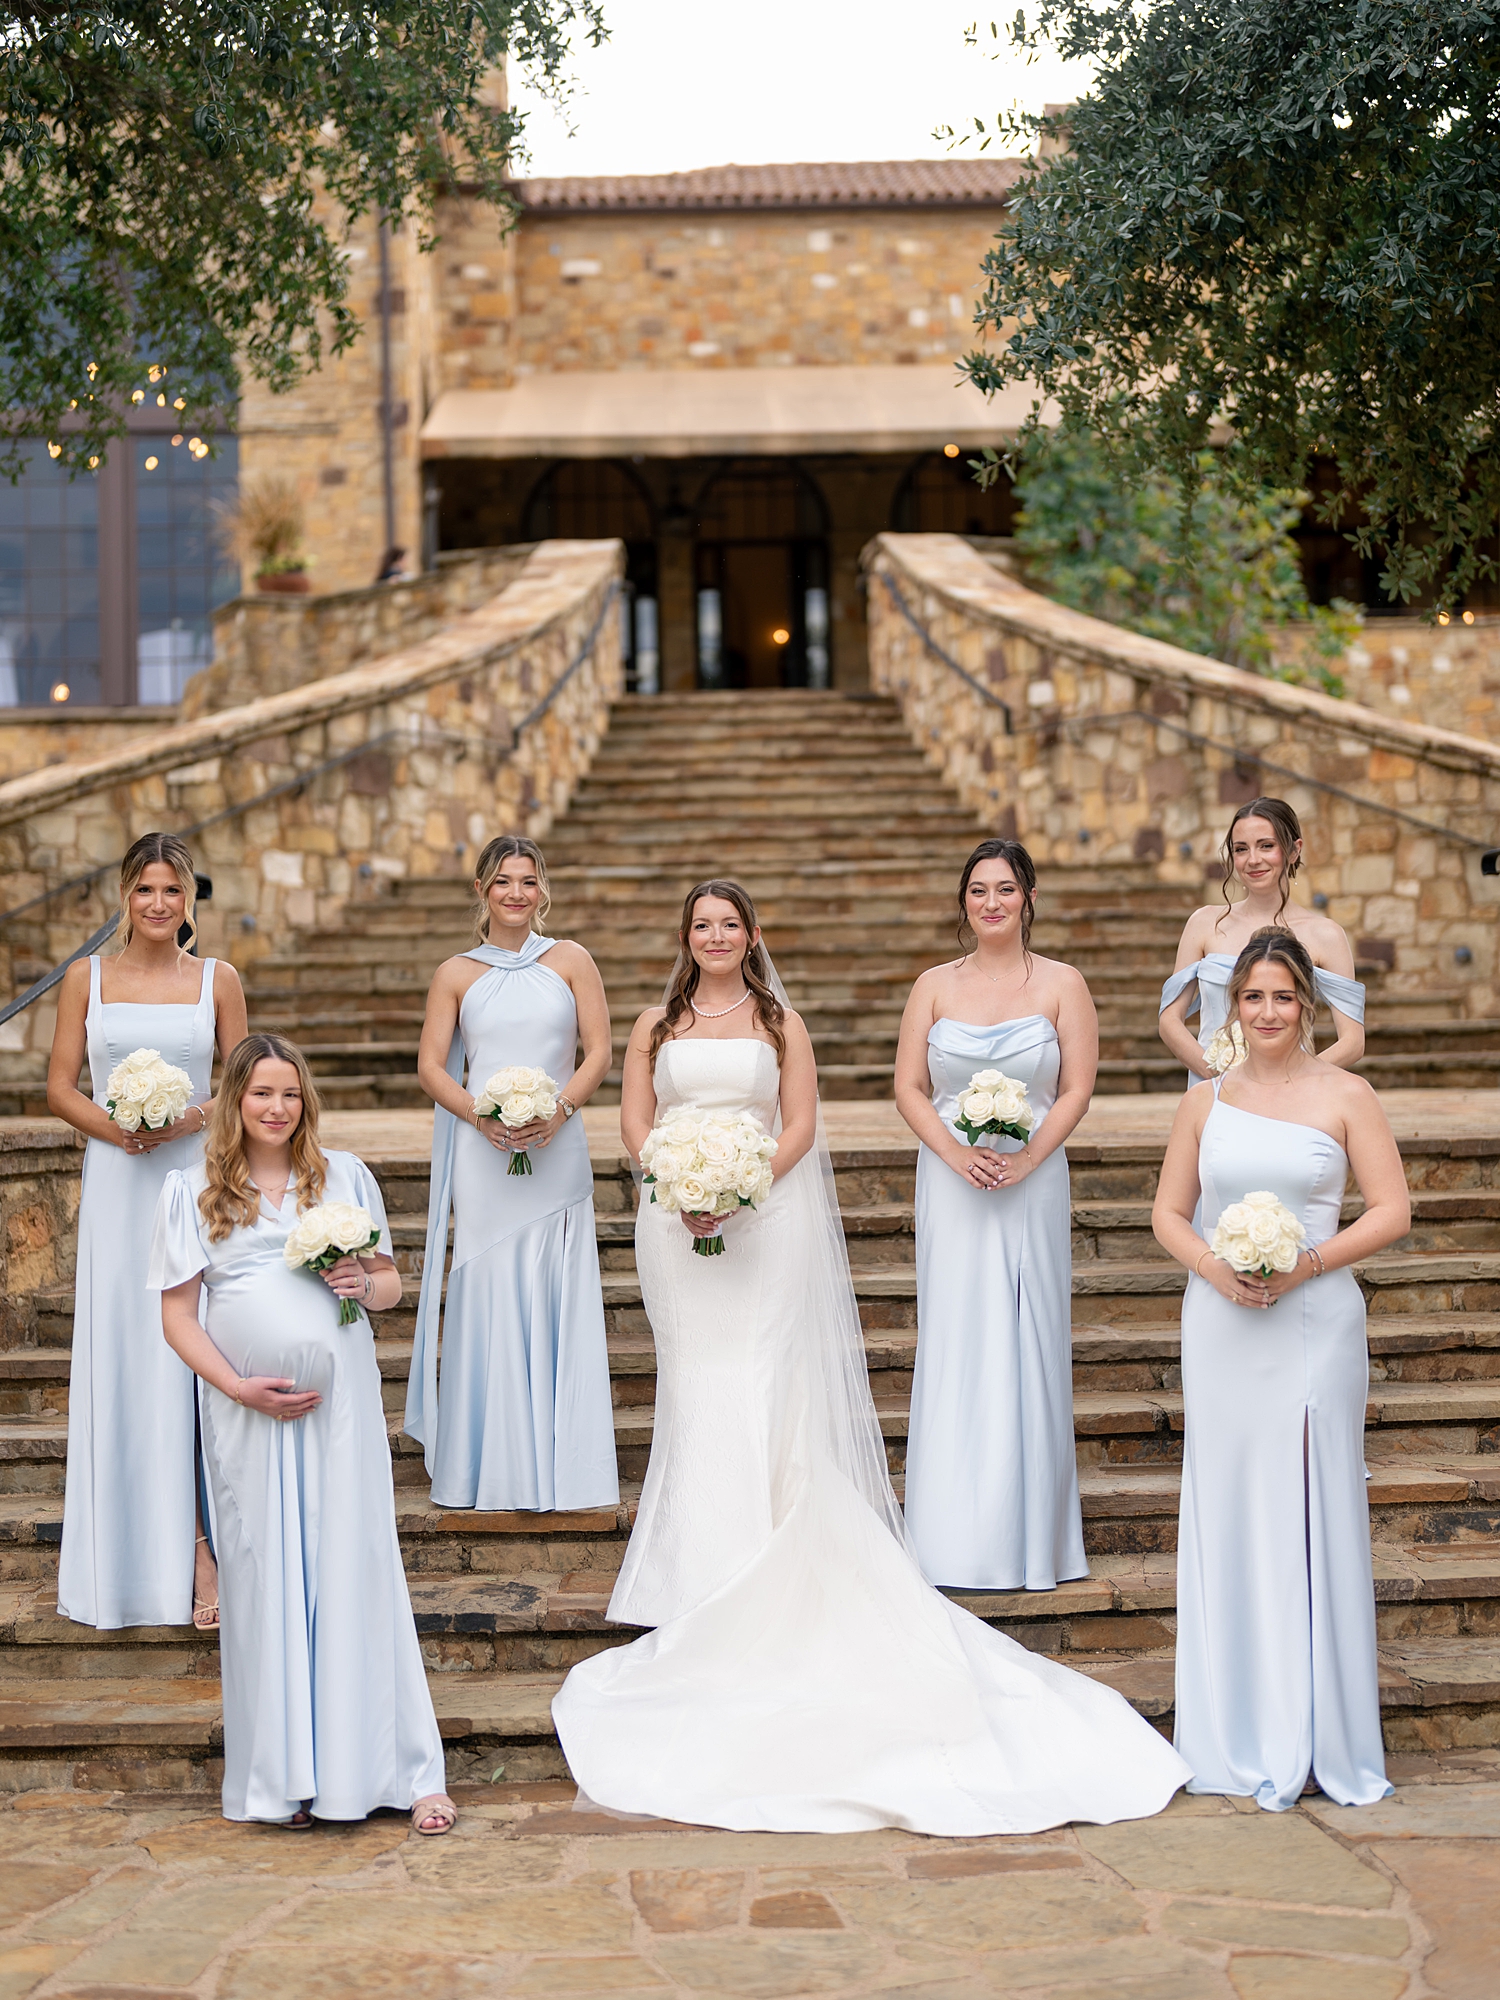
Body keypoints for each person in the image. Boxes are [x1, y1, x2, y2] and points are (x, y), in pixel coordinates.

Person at [552, 879, 1190, 1836]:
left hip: (761, 1217)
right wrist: (677, 1183)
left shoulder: (783, 1023)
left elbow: (801, 1127)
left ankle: (769, 1563)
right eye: (702, 925)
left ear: (751, 935)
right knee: (694, 1389)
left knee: (762, 1383)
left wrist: (738, 1187)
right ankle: (697, 1570)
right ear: (686, 936)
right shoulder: (653, 1023)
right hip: (672, 1224)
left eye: (730, 924)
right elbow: (635, 1123)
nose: (716, 936)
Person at [152, 1033, 454, 1833]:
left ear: (305, 1101)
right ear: (234, 1101)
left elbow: (389, 1285)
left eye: (290, 1093)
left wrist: (363, 1281)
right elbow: (178, 1317)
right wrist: (236, 1387)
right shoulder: (190, 1191)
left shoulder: (344, 1176)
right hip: (246, 1415)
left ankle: (402, 1770)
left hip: (341, 1408)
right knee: (267, 1579)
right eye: (261, 1093)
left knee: (356, 1566)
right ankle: (287, 1778)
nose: (277, 1107)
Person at [1152, 930, 1409, 1810]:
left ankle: (1319, 1729)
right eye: (1253, 997)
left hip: (1314, 1321)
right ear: (1234, 1007)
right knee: (1230, 1508)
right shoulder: (1205, 1102)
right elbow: (1169, 1212)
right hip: (1220, 1323)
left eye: (1284, 997)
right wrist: (1213, 1267)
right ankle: (1233, 1729)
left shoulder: (1347, 1094)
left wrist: (1308, 1263)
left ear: (1309, 1005)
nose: (1268, 1012)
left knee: (1311, 1507)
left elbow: (1392, 1210)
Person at [49, 832, 247, 1631]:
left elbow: (245, 1082)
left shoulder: (217, 979)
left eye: (172, 890)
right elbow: (60, 1087)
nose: (158, 904)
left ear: (189, 899)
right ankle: (118, 1562)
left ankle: (202, 1550)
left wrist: (185, 1120)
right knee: (125, 1356)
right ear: (124, 897)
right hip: (116, 1184)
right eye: (144, 889)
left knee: (188, 1356)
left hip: (191, 1181)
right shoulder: (85, 979)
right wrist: (120, 1127)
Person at [895, 839, 1095, 1591]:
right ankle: (949, 1536)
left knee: (1027, 1330)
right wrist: (956, 1154)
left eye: (1005, 889)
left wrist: (1030, 1157)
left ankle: (1029, 1536)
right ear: (964, 902)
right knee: (958, 1333)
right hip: (953, 1180)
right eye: (978, 890)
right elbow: (909, 1087)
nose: (991, 902)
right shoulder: (932, 986)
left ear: (1029, 898)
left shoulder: (1064, 984)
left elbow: (1076, 1088)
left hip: (1031, 1179)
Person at [407, 835, 617, 1512]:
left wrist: (560, 1110)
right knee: (491, 1284)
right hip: (483, 1153)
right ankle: (489, 1468)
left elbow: (599, 1051)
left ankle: (563, 1468)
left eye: (528, 881)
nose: (516, 893)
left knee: (555, 1287)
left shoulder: (572, 960)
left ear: (542, 889)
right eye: (503, 881)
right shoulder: (455, 973)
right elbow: (431, 1066)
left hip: (558, 1147)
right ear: (481, 890)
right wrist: (479, 1115)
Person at [1159, 798, 1365, 1079]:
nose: (1253, 859)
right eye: (1241, 849)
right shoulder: (1204, 923)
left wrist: (1290, 1079)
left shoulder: (1326, 935)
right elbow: (1170, 1019)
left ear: (1294, 850)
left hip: (1290, 1091)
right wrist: (1217, 1076)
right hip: (1214, 1088)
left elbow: (1353, 1041)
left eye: (1266, 846)